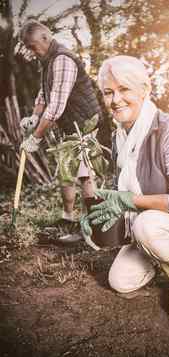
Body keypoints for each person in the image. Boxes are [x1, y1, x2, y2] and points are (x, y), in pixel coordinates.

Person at [81, 55, 169, 319]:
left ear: (145, 89)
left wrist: (126, 201)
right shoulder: (119, 135)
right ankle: (161, 251)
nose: (115, 100)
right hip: (153, 220)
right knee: (121, 282)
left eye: (124, 89)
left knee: (146, 225)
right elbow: (121, 190)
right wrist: (96, 215)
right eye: (108, 92)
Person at [19, 20, 103, 242]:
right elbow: (44, 94)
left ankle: (93, 224)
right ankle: (68, 218)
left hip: (83, 123)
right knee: (66, 173)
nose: (32, 52)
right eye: (28, 48)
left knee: (83, 174)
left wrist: (36, 138)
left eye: (33, 46)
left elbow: (56, 105)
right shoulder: (47, 61)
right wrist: (34, 117)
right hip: (70, 124)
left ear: (45, 38)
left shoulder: (63, 60)